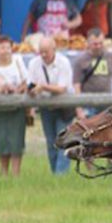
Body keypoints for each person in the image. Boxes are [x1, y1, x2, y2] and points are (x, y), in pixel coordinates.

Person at [26, 36, 75, 173]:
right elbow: (31, 84)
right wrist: (32, 91)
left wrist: (42, 87)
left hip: (64, 107)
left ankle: (61, 174)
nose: (43, 55)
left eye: (46, 51)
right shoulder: (33, 63)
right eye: (41, 51)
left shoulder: (64, 62)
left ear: (54, 49)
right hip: (46, 107)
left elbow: (62, 88)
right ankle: (55, 173)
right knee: (50, 142)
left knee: (63, 140)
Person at [73, 28, 112, 117]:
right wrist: (79, 110)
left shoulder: (111, 57)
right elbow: (77, 86)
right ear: (88, 43)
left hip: (106, 103)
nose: (98, 46)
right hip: (89, 104)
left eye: (101, 43)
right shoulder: (81, 60)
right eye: (95, 44)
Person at [0, 36, 28, 176]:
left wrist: (16, 89)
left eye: (8, 47)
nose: (6, 51)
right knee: (1, 142)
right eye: (2, 48)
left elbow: (26, 82)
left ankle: (16, 174)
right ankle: (4, 173)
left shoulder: (18, 61)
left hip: (16, 108)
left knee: (16, 143)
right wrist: (0, 89)